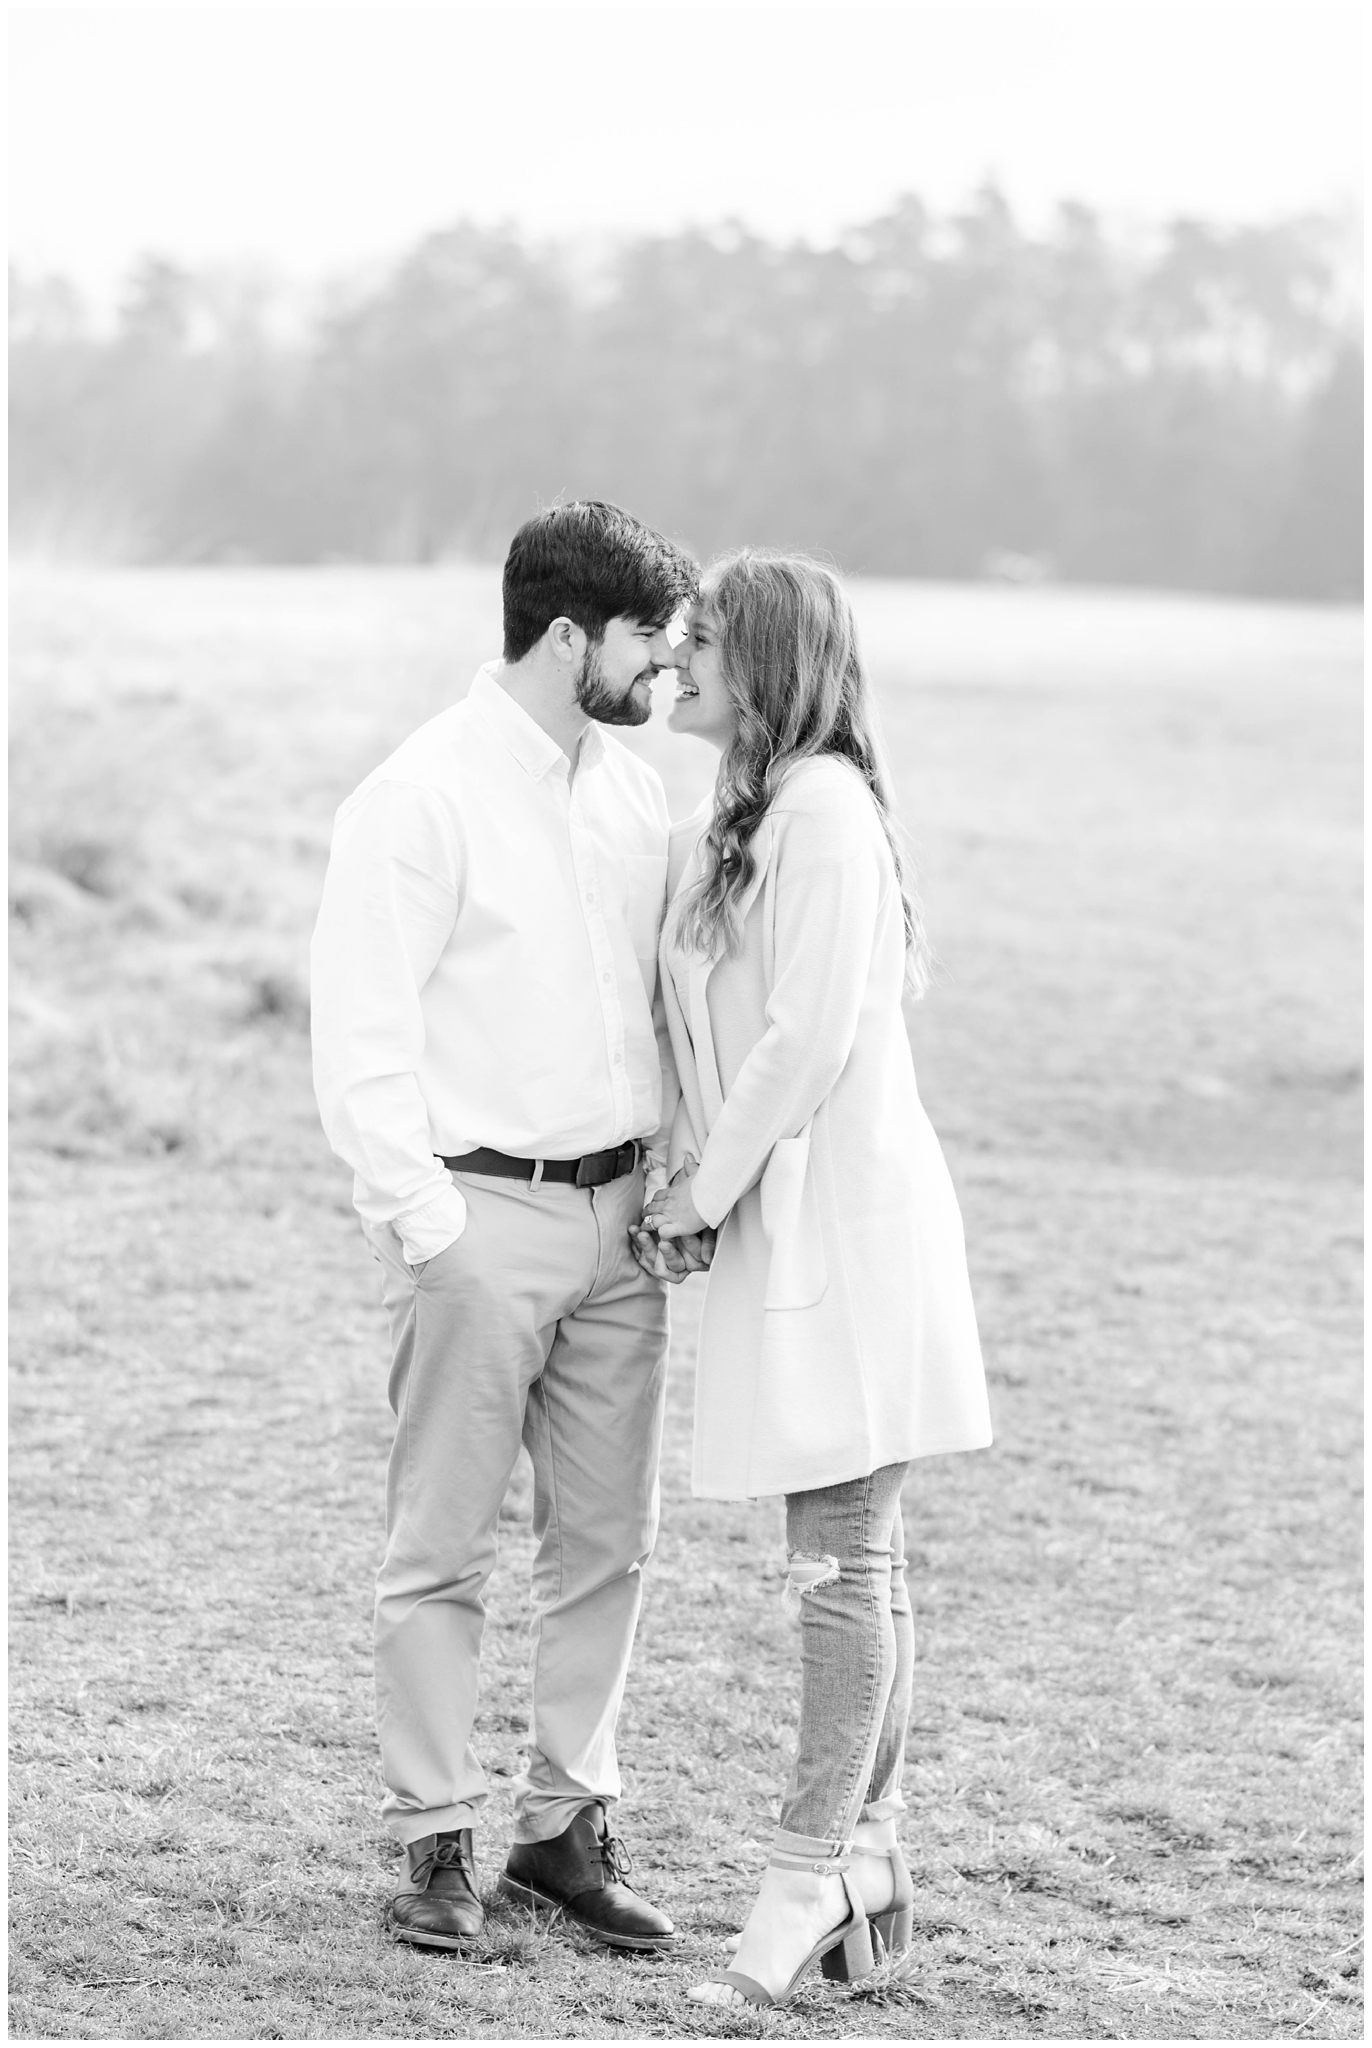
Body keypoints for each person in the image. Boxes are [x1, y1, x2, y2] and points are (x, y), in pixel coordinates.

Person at [310, 501, 708, 1953]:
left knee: (610, 1544)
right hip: (479, 1218)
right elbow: (358, 1043)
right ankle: (434, 1841)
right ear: (566, 636)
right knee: (443, 1547)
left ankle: (562, 1828)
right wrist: (433, 1231)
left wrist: (668, 1180)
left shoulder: (625, 789)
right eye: (645, 639)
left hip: (624, 1224)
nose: (667, 666)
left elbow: (652, 1005)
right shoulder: (416, 797)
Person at [637, 551, 993, 2009]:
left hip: (842, 1229)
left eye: (705, 638)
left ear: (768, 664)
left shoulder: (825, 814)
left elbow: (803, 1042)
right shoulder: (757, 809)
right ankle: (870, 1856)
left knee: (839, 1564)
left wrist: (696, 1190)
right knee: (861, 1558)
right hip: (795, 1222)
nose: (679, 659)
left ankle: (801, 1880)